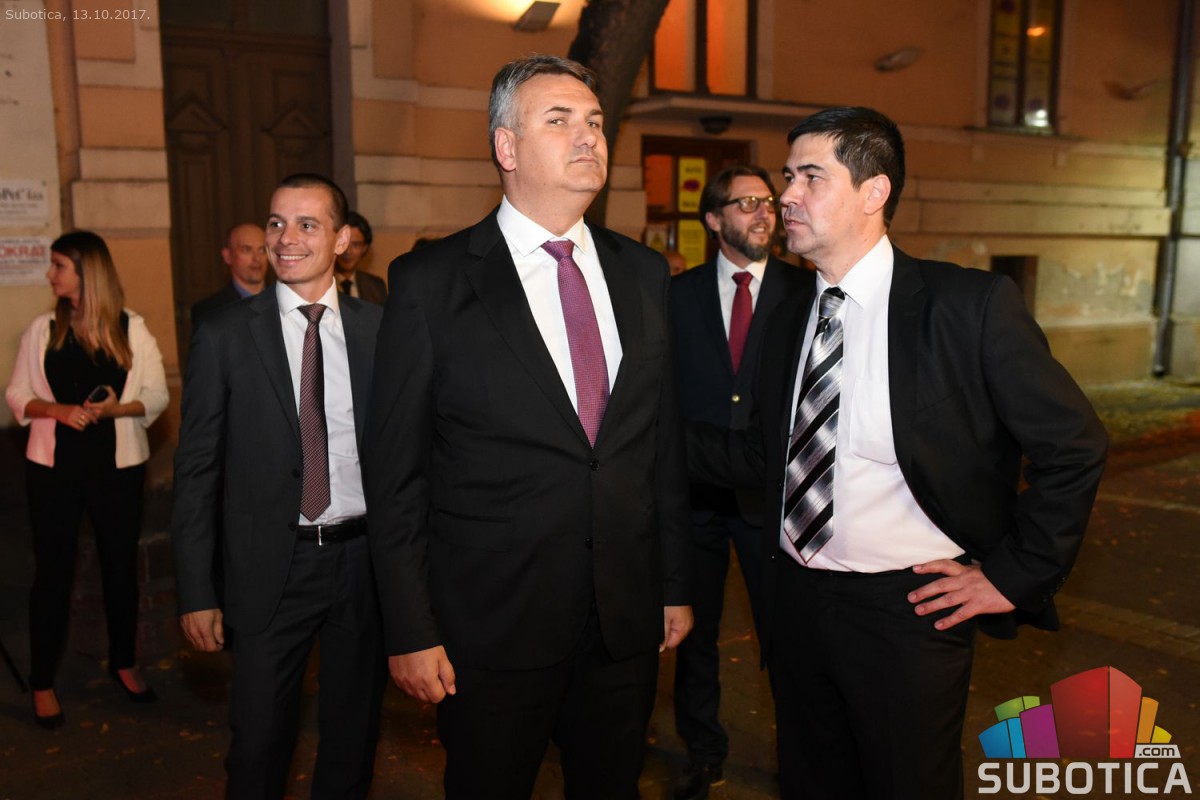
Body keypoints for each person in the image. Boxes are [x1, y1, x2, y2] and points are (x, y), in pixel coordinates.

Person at [688, 107, 1108, 800]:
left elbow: (1075, 445)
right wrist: (634, 434)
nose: (786, 196)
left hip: (906, 613)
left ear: (874, 191)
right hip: (794, 602)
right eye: (788, 176)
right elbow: (765, 457)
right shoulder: (788, 316)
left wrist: (1013, 575)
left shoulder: (965, 306)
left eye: (811, 177)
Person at [365, 54, 693, 800]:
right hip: (490, 627)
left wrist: (673, 582)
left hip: (622, 620)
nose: (589, 137)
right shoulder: (431, 282)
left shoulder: (643, 273)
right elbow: (397, 475)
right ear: (506, 147)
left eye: (596, 122)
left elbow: (659, 446)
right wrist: (410, 628)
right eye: (560, 120)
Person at [171, 174, 386, 799]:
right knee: (259, 746)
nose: (285, 238)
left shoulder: (382, 330)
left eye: (306, 224)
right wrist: (196, 589)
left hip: (365, 566)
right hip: (271, 567)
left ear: (343, 240)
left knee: (352, 743)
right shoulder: (225, 334)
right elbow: (197, 470)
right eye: (275, 223)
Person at [668, 165, 811, 800]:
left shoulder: (807, 291)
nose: (764, 212)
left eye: (768, 202)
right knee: (692, 636)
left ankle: (801, 759)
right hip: (692, 498)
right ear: (713, 218)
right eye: (746, 202)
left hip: (773, 501)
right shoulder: (676, 294)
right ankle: (703, 752)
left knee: (786, 637)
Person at [6, 230, 169, 729]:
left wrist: (116, 409)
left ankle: (123, 662)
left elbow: (158, 396)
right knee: (52, 574)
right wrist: (56, 409)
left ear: (87, 272)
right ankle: (42, 682)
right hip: (53, 469)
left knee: (119, 567)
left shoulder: (131, 328)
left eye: (59, 266)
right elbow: (16, 395)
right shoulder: (42, 330)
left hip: (117, 468)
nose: (50, 274)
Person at [192, 223, 269, 326]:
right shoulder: (210, 311)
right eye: (247, 250)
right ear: (227, 256)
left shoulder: (284, 301)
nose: (257, 258)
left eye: (262, 250)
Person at [334, 211, 387, 305]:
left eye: (355, 245)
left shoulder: (376, 287)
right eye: (343, 243)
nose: (348, 251)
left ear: (365, 248)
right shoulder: (319, 285)